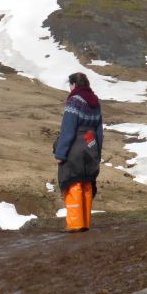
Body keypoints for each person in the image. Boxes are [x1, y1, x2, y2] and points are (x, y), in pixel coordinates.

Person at [53, 73, 103, 233]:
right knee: (87, 183)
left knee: (73, 182)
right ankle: (85, 223)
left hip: (76, 146)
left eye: (70, 85)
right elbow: (99, 131)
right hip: (91, 145)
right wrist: (97, 153)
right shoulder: (95, 103)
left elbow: (68, 128)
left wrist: (60, 154)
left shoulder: (74, 100)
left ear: (74, 84)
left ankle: (75, 224)